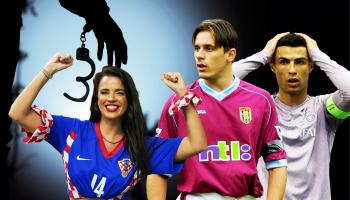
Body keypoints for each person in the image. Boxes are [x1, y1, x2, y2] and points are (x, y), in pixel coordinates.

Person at [8, 53, 207, 199]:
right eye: (104, 92)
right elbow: (17, 113)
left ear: (130, 99)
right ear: (96, 99)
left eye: (120, 92)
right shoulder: (72, 131)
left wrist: (183, 95)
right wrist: (47, 71)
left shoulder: (143, 147)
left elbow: (197, 144)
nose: (111, 98)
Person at [147, 18, 287, 200]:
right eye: (197, 48)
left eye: (209, 48)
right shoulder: (178, 101)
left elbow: (277, 162)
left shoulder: (261, 100)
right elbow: (158, 167)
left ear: (230, 54)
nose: (199, 55)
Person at [233, 33, 350, 199]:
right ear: (272, 66)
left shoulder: (324, 110)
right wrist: (263, 55)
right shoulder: (260, 108)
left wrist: (318, 55)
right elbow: (218, 83)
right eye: (284, 62)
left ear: (311, 66)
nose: (292, 70)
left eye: (300, 62)